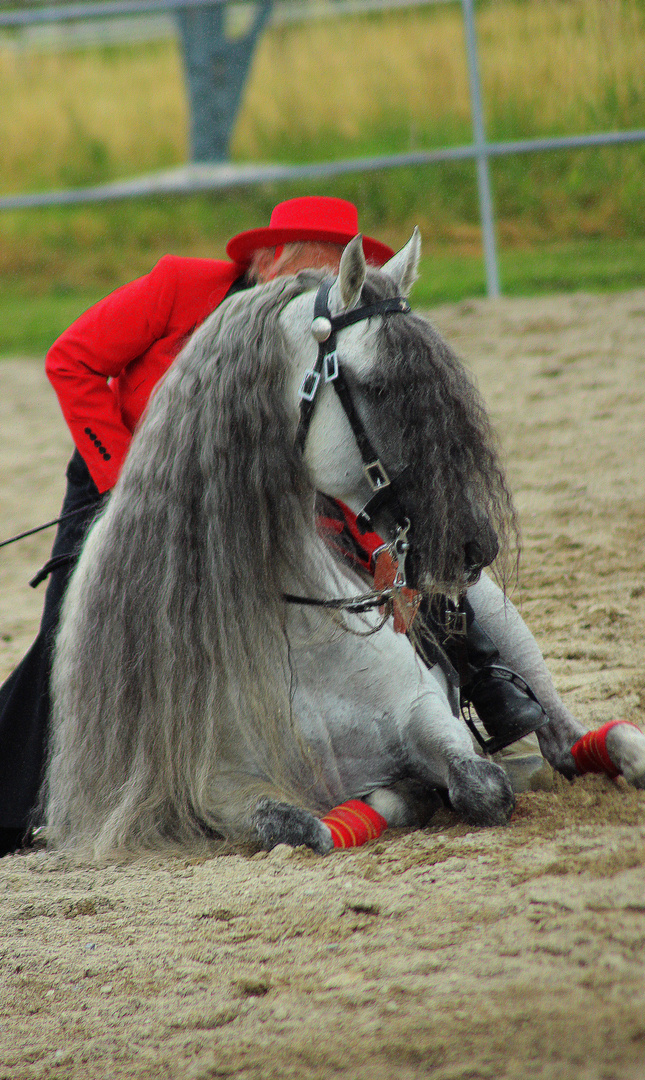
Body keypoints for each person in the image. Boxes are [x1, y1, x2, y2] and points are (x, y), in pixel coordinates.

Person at [0, 195, 545, 858]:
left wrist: (378, 551)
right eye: (319, 269)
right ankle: (19, 798)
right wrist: (127, 490)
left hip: (253, 502)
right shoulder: (178, 287)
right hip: (122, 478)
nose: (323, 290)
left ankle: (478, 677)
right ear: (276, 256)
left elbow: (332, 463)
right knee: (72, 635)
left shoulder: (314, 337)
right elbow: (72, 360)